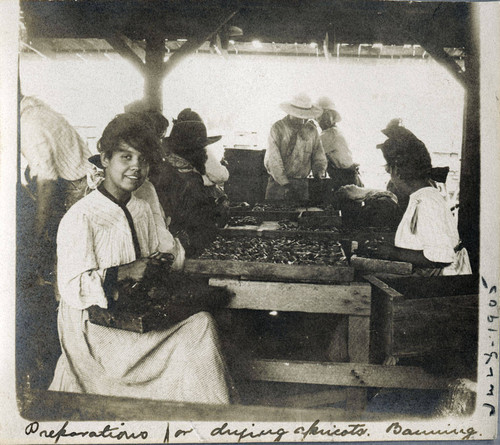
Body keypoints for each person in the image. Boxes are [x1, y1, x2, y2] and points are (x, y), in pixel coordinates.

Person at [49, 113, 231, 404]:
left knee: (202, 323)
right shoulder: (82, 215)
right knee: (199, 330)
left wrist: (156, 265)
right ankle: (210, 418)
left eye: (143, 160)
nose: (136, 167)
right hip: (94, 333)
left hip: (129, 316)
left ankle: (206, 417)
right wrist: (125, 272)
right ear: (105, 159)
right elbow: (72, 286)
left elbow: (155, 257)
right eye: (126, 157)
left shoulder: (142, 206)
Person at [368, 127, 471, 276]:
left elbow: (440, 258)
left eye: (388, 171)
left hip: (437, 284)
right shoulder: (421, 197)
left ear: (396, 170)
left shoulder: (426, 202)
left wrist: (392, 252)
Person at [19, 94, 92, 283]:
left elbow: (47, 182)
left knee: (72, 262)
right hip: (75, 185)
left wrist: (37, 233)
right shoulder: (35, 110)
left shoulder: (29, 124)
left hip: (78, 189)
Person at [151, 116, 226, 257]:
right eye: (201, 150)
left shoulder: (187, 173)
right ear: (190, 151)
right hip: (178, 251)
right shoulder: (171, 177)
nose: (204, 154)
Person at [264, 93, 327, 201]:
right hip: (278, 186)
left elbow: (319, 156)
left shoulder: (312, 130)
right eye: (298, 117)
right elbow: (273, 160)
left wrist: (319, 174)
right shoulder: (278, 129)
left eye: (305, 117)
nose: (302, 121)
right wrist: (285, 185)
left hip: (301, 186)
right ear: (290, 113)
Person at [315, 96, 363, 190]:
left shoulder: (330, 134)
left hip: (346, 179)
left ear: (332, 117)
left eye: (327, 116)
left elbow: (312, 152)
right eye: (321, 117)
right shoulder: (331, 132)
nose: (323, 120)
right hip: (345, 177)